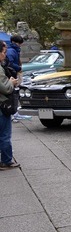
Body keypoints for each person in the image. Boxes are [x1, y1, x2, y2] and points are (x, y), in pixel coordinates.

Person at [0, 41, 21, 170]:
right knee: (5, 135)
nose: (4, 55)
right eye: (3, 52)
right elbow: (5, 89)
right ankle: (6, 161)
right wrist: (11, 82)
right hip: (2, 107)